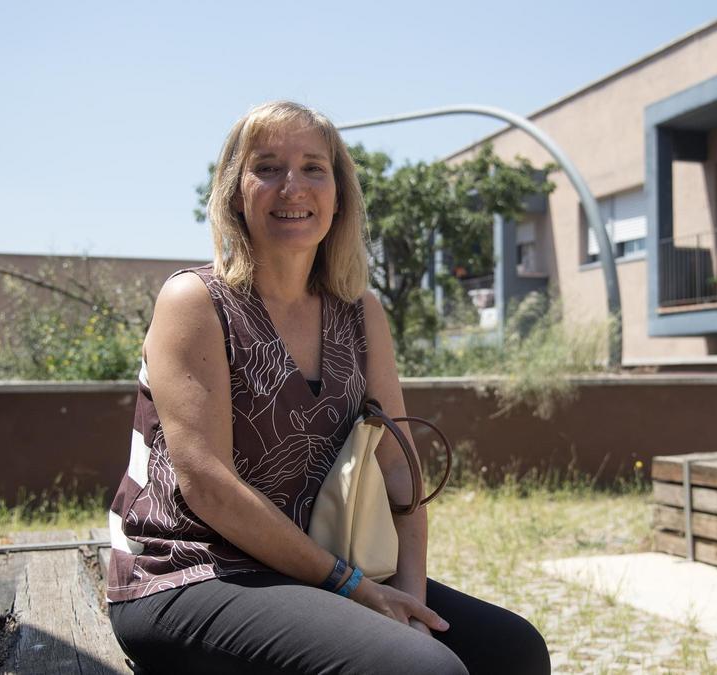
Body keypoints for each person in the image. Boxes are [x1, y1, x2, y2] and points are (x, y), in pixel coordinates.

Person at [105, 100, 550, 675]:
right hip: (191, 573)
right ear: (235, 192)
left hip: (320, 568)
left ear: (338, 195)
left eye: (313, 168)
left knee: (515, 651)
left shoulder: (360, 311)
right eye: (268, 167)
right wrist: (352, 586)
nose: (292, 186)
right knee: (425, 671)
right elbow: (208, 486)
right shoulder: (196, 301)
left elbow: (398, 466)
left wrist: (410, 599)